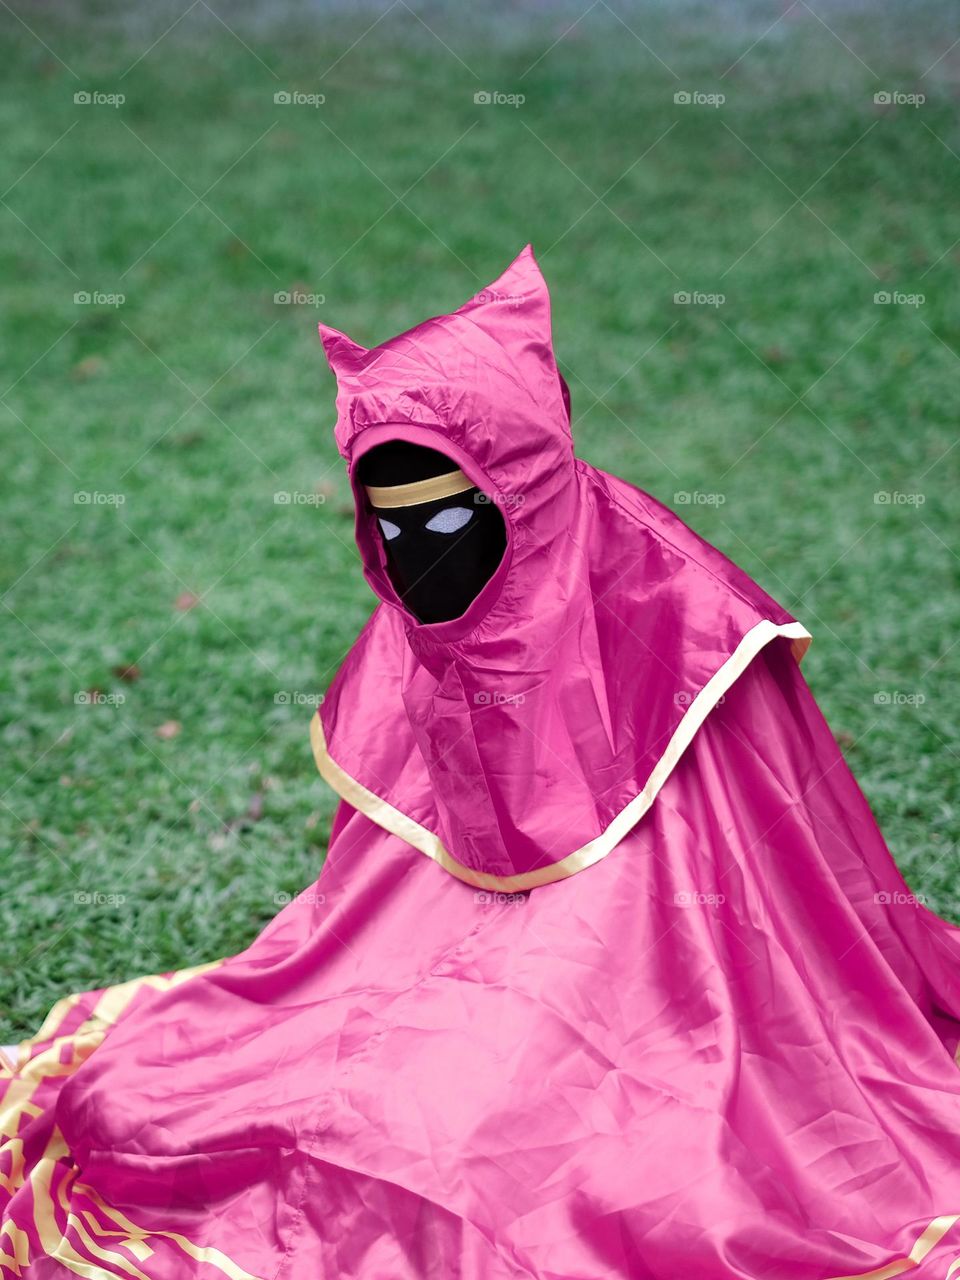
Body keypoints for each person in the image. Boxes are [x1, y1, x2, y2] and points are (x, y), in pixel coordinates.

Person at [4, 246, 960, 1279]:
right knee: (287, 1114)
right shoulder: (421, 639)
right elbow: (376, 904)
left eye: (457, 517)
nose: (425, 553)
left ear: (531, 482)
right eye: (395, 524)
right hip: (436, 980)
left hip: (660, 1021)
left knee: (504, 1171)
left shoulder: (682, 626)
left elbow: (749, 923)